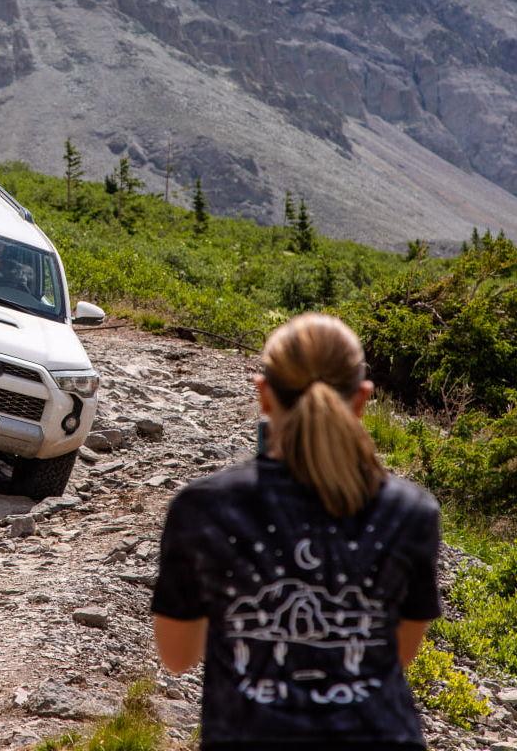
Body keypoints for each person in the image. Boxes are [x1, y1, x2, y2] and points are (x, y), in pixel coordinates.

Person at [152, 313, 440, 751]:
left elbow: (177, 657)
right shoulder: (412, 510)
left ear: (264, 395)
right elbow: (399, 654)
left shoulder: (204, 507)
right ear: (362, 399)